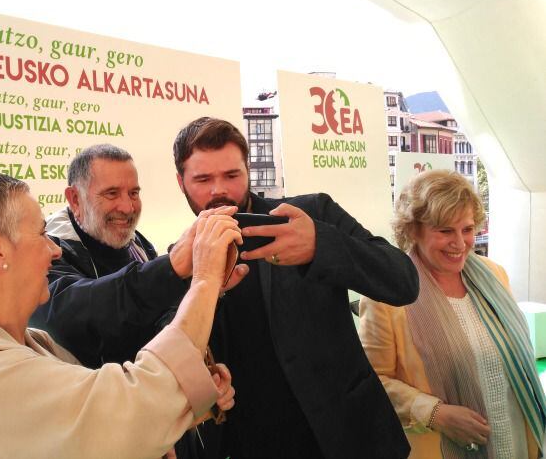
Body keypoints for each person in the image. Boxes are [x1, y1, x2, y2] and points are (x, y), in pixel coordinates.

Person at [0, 173, 242, 459]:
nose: (54, 250)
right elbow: (134, 405)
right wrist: (205, 277)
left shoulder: (31, 346)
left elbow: (108, 426)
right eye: (40, 234)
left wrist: (189, 400)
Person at [172, 116, 419, 459]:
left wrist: (322, 245)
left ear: (248, 171)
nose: (219, 190)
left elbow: (403, 281)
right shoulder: (180, 261)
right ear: (181, 182)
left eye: (232, 175)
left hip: (350, 439)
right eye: (202, 179)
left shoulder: (307, 215)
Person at [359, 169, 546, 458]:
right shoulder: (387, 295)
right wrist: (435, 413)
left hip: (515, 443)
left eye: (468, 229)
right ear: (413, 230)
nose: (460, 243)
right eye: (445, 230)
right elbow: (371, 382)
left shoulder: (494, 276)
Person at [31, 144, 248, 368]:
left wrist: (202, 286)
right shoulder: (48, 250)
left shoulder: (138, 244)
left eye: (134, 193)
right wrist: (171, 268)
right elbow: (77, 315)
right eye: (112, 193)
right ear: (75, 199)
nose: (127, 207)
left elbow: (156, 322)